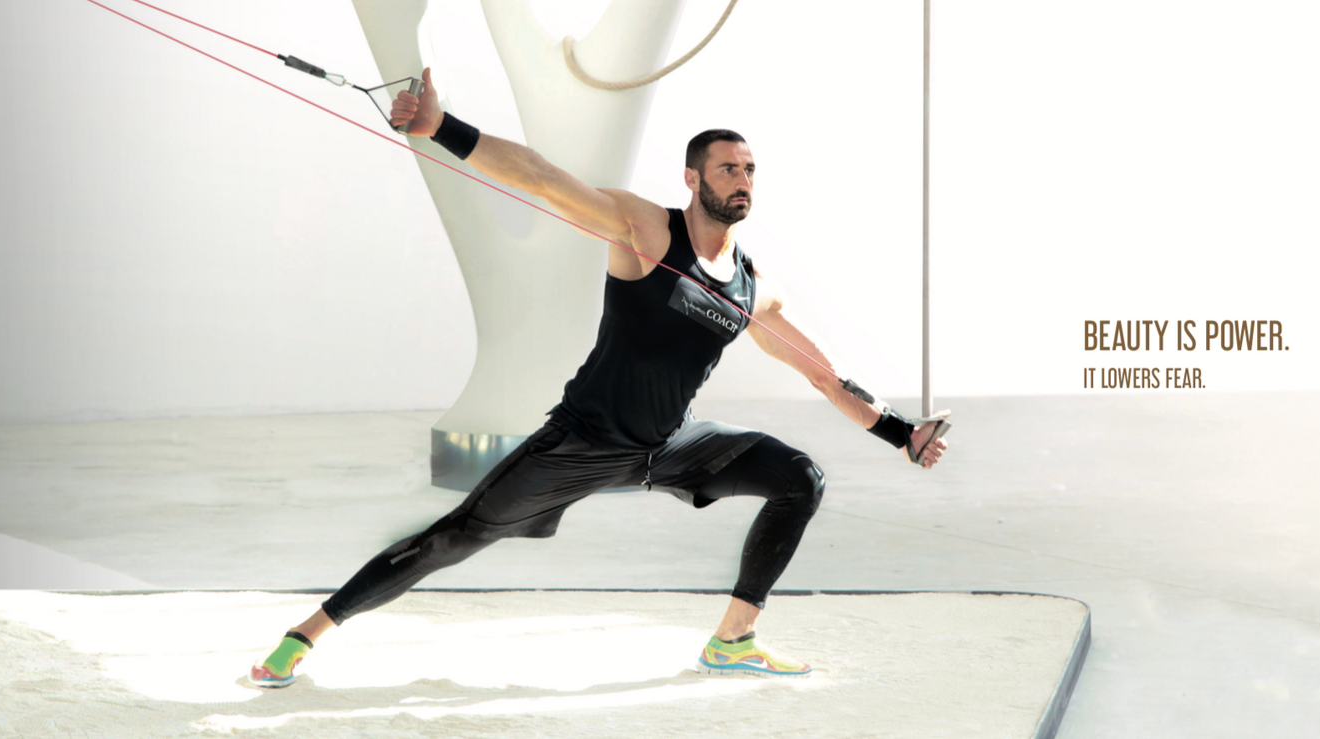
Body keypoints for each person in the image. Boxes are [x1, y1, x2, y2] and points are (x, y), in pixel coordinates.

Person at [249, 68, 950, 687]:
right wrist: (441, 127)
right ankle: (304, 635)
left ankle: (732, 640)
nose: (742, 180)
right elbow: (542, 179)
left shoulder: (751, 286)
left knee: (800, 477)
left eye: (749, 170)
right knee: (454, 537)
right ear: (693, 178)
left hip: (670, 445)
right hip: (584, 440)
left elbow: (827, 377)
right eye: (727, 168)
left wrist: (900, 434)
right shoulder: (646, 230)